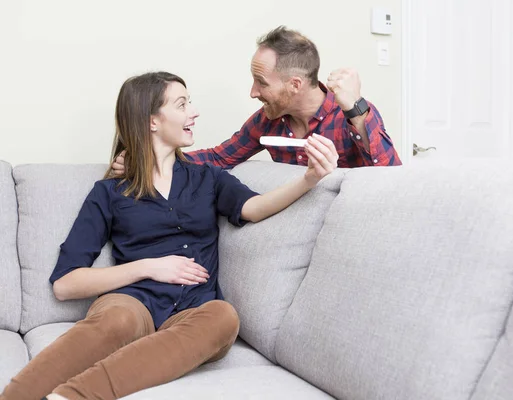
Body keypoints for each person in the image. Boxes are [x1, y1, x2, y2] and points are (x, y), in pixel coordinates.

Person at [0, 71, 337, 400]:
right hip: (132, 302)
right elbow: (65, 284)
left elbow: (256, 207)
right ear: (152, 121)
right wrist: (148, 266)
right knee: (115, 319)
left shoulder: (208, 178)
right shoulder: (110, 192)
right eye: (181, 104)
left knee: (223, 318)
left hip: (195, 307)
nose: (194, 112)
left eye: (189, 102)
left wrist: (309, 178)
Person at [111, 26, 400, 176]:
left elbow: (391, 181)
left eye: (261, 82)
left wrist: (356, 109)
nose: (253, 92)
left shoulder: (350, 114)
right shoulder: (267, 121)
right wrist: (148, 162)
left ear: (295, 84)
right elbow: (218, 158)